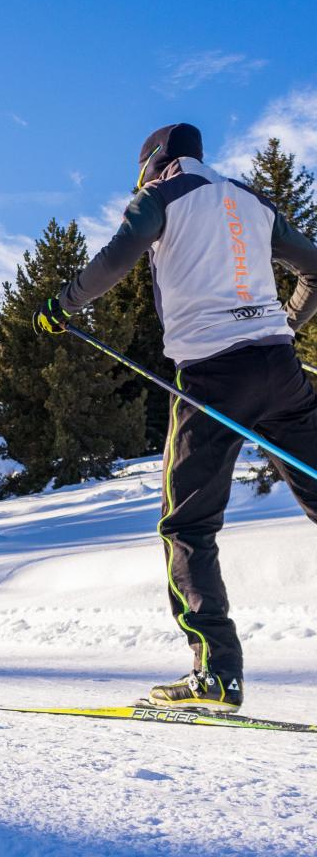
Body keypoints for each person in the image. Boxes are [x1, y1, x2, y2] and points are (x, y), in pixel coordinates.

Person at [33, 122, 317, 711]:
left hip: (212, 377)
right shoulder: (250, 198)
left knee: (187, 527)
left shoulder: (160, 196)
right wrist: (286, 324)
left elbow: (115, 259)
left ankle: (216, 672)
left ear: (155, 164)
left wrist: (61, 305)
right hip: (280, 369)